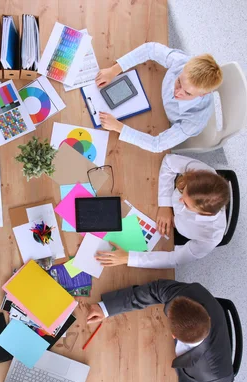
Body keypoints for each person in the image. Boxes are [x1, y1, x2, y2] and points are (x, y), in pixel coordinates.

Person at [86, 280, 234, 382]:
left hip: (190, 369)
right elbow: (155, 290)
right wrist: (106, 308)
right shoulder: (191, 293)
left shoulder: (214, 374)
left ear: (172, 335)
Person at [96, 154, 229, 269]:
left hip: (172, 234)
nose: (180, 200)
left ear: (204, 213)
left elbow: (175, 259)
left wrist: (128, 258)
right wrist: (165, 205)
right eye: (183, 191)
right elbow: (169, 161)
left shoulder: (211, 236)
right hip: (160, 211)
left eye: (187, 204)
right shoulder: (203, 173)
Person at [95, 43, 223, 153]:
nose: (177, 93)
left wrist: (119, 127)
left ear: (203, 94)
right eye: (179, 82)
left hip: (167, 121)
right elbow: (150, 49)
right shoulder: (182, 62)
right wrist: (114, 70)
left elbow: (157, 145)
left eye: (187, 93)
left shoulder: (193, 122)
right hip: (155, 97)